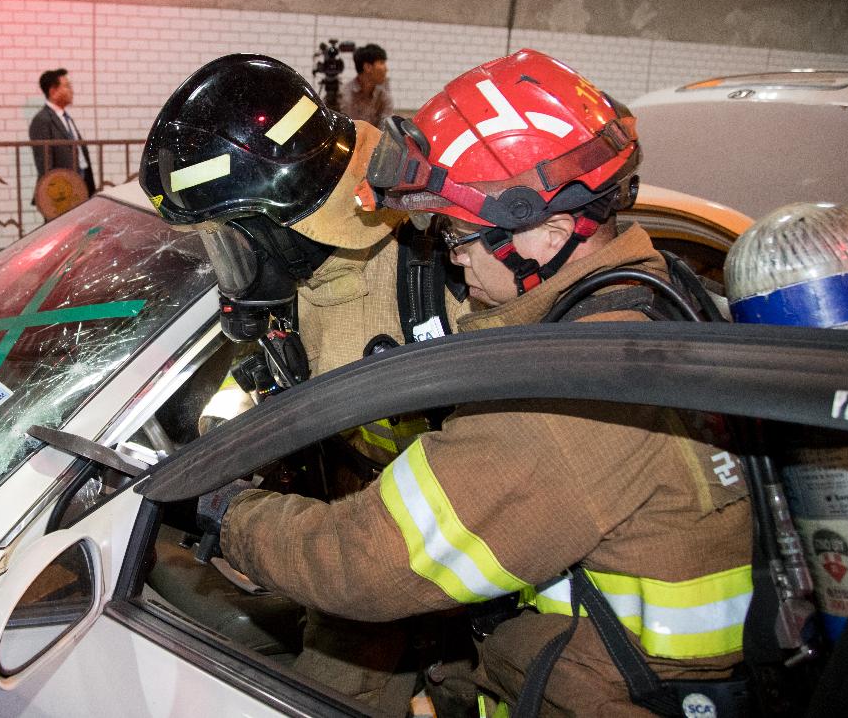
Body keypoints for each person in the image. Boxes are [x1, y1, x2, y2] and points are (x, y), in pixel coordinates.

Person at [201, 50, 754, 716]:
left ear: (547, 233)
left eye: (462, 234)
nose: (453, 258)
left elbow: (369, 560)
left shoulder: (568, 397)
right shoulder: (654, 294)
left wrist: (229, 513)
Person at [139, 53, 459, 714]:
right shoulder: (299, 284)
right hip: (351, 553)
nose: (229, 259)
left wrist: (240, 516)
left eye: (232, 237)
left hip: (433, 566)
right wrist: (217, 449)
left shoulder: (434, 273)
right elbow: (266, 387)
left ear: (283, 219)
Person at [29, 68, 96, 197]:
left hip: (80, 184)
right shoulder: (42, 120)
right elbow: (45, 163)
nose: (72, 91)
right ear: (53, 91)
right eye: (67, 86)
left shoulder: (65, 117)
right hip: (61, 191)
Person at [338, 43, 393, 125]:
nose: (386, 69)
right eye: (382, 63)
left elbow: (385, 129)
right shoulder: (342, 94)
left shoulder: (383, 95)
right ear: (368, 67)